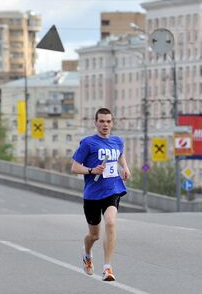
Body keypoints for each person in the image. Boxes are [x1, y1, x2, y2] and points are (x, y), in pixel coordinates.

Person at [71, 108, 131, 282]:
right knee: (95, 235)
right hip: (92, 194)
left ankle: (107, 268)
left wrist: (125, 168)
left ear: (112, 123)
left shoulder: (117, 141)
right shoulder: (88, 143)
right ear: (96, 123)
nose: (105, 124)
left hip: (112, 189)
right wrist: (91, 170)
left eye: (108, 121)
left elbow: (120, 155)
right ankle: (87, 253)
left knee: (111, 222)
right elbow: (75, 167)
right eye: (102, 121)